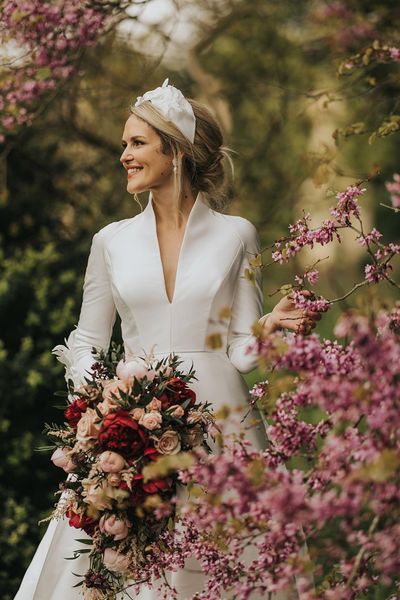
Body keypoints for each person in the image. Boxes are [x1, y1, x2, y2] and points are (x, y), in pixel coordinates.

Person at [14, 79, 321, 600]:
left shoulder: (237, 234)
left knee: (232, 569)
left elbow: (242, 353)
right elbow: (86, 341)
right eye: (124, 144)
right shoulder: (109, 241)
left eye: (137, 143)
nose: (124, 155)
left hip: (225, 431)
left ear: (174, 149)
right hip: (134, 431)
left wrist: (269, 330)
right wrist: (105, 401)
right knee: (128, 569)